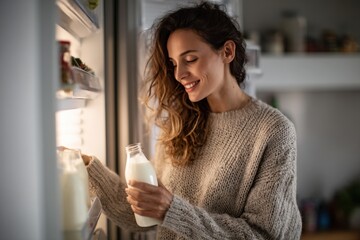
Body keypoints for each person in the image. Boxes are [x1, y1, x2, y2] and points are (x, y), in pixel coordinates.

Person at [81, 2, 302, 239]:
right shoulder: (180, 124)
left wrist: (172, 210)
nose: (178, 74)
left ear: (227, 52)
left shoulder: (273, 131)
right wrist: (86, 167)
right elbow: (144, 215)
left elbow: (265, 235)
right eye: (174, 64)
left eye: (190, 59)